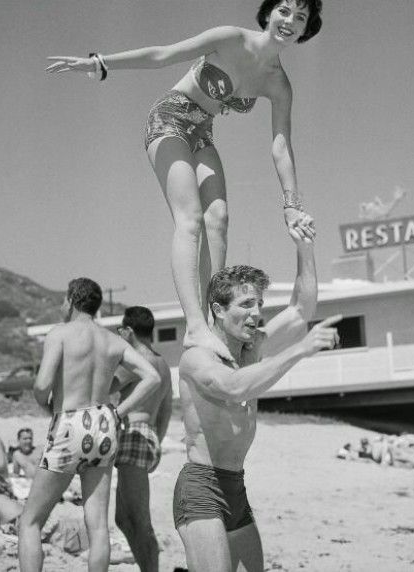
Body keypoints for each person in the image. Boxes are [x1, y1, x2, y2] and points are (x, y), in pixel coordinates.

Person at [46, 0, 322, 359]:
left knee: (218, 218)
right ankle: (194, 326)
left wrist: (291, 204)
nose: (290, 21)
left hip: (202, 132)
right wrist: (101, 63)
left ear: (307, 28)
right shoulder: (230, 38)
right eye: (284, 11)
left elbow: (281, 145)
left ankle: (212, 319)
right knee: (189, 218)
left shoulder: (278, 84)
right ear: (269, 12)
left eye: (300, 17)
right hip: (169, 117)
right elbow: (163, 55)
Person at [174, 233, 341, 572]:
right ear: (219, 310)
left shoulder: (253, 348)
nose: (257, 313)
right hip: (202, 487)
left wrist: (305, 246)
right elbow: (233, 387)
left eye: (260, 304)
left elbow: (300, 310)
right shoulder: (198, 358)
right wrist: (299, 350)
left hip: (235, 485)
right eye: (246, 305)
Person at [18, 278, 161, 572]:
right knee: (97, 528)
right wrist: (118, 413)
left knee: (30, 522)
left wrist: (46, 406)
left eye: (64, 300)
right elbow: (152, 377)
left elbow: (42, 385)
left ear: (72, 299)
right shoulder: (113, 340)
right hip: (104, 423)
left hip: (70, 420)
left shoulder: (60, 333)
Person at [111, 305, 173, 572]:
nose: (119, 334)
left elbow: (104, 387)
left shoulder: (135, 361)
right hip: (148, 436)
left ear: (129, 330)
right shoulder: (163, 364)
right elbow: (166, 410)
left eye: (120, 330)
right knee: (123, 519)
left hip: (133, 435)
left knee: (139, 520)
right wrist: (156, 441)